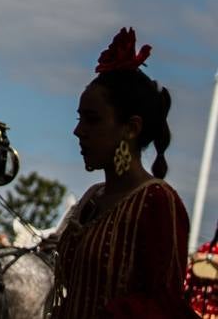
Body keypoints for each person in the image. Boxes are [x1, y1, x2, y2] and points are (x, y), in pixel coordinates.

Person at [49, 27, 196, 319]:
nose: (78, 131)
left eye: (92, 120)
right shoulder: (92, 198)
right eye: (80, 119)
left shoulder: (156, 202)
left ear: (131, 128)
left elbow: (162, 303)